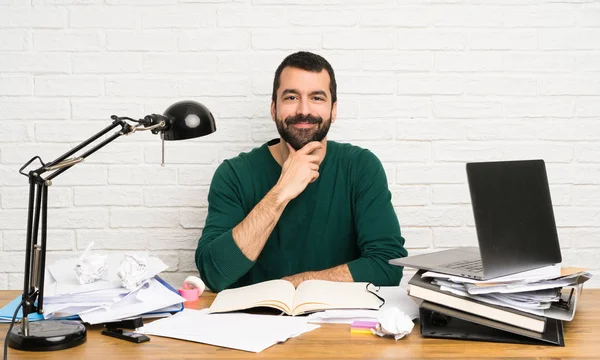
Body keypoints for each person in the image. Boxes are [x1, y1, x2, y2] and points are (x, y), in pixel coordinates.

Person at [195, 51, 407, 292]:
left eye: (317, 98)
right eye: (291, 97)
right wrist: (281, 192)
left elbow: (387, 265)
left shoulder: (361, 167)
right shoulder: (233, 174)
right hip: (254, 322)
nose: (303, 110)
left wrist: (297, 283)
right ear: (273, 109)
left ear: (333, 110)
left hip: (338, 325)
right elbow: (214, 274)